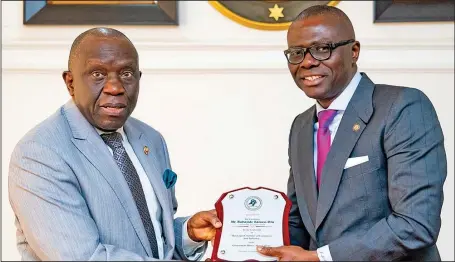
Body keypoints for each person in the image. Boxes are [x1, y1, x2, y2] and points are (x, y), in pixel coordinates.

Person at [8, 27, 221, 261]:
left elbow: (148, 235)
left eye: (127, 74)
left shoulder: (150, 139)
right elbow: (84, 257)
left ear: (139, 79)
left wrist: (188, 234)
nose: (115, 87)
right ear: (70, 83)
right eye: (98, 74)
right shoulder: (40, 153)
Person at [256, 5, 447, 261]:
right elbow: (299, 222)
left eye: (322, 49)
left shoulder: (402, 107)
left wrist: (321, 257)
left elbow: (415, 224)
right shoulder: (301, 126)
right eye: (296, 53)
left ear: (354, 51)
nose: (308, 61)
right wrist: (234, 236)